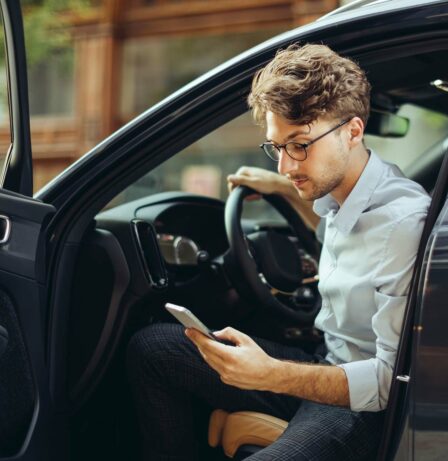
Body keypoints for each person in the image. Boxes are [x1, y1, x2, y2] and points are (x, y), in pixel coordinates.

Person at [127, 43, 430, 460]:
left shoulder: (401, 223)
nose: (285, 165)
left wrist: (271, 375)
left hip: (363, 406)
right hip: (323, 361)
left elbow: (390, 381)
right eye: (276, 147)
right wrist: (285, 191)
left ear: (354, 130)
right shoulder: (343, 195)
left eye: (300, 144)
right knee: (154, 350)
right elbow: (335, 232)